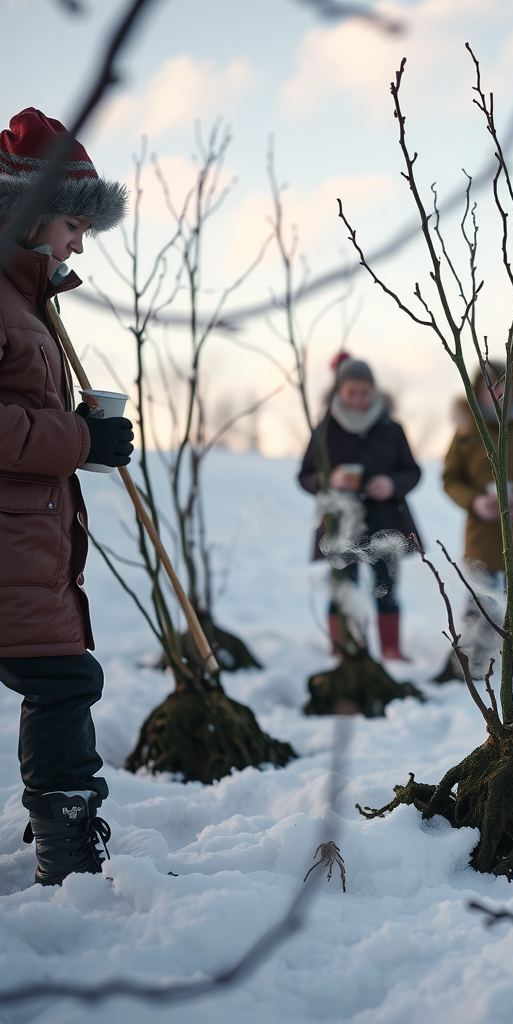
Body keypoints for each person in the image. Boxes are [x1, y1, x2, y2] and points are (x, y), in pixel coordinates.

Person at [0, 108, 132, 885]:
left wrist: (84, 432)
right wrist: (79, 442)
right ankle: (69, 853)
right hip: (11, 548)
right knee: (64, 681)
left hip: (27, 544)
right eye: (74, 225)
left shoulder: (27, 303)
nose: (81, 244)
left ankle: (63, 840)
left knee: (61, 679)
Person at [299, 356, 421, 662]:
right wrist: (330, 479)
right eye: (351, 391)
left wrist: (392, 484)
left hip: (386, 522)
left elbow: (412, 471)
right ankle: (342, 647)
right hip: (341, 525)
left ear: (374, 391)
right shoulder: (325, 428)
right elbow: (305, 475)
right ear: (339, 391)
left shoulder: (391, 428)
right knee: (343, 587)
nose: (358, 398)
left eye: (364, 392)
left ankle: (391, 649)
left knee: (387, 587)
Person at [442, 361, 513, 629]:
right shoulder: (467, 431)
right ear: (477, 391)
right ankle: (477, 651)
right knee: (480, 600)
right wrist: (474, 501)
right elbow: (451, 478)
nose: (498, 393)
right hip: (482, 533)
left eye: (505, 385)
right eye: (489, 387)